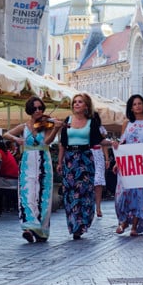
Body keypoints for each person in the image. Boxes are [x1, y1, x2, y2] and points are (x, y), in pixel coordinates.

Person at [3, 96, 63, 243]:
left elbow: (47, 141)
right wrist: (16, 139)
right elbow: (6, 134)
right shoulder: (24, 126)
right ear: (30, 110)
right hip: (28, 162)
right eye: (35, 108)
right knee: (27, 193)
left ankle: (41, 230)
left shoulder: (46, 124)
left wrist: (55, 128)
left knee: (43, 195)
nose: (38, 111)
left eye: (40, 108)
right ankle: (29, 227)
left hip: (43, 160)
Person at [113, 94, 143, 236]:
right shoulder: (127, 123)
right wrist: (117, 161)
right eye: (134, 104)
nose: (137, 106)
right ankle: (123, 221)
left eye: (140, 103)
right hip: (128, 164)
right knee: (123, 194)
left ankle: (134, 225)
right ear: (131, 107)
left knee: (140, 195)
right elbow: (123, 144)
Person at [57, 93, 104, 240]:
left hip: (85, 158)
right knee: (70, 193)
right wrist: (59, 162)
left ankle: (84, 222)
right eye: (75, 102)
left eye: (80, 102)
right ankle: (74, 225)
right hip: (70, 159)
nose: (76, 104)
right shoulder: (68, 121)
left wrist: (112, 143)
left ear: (86, 106)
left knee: (85, 192)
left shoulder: (92, 122)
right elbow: (62, 143)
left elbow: (98, 140)